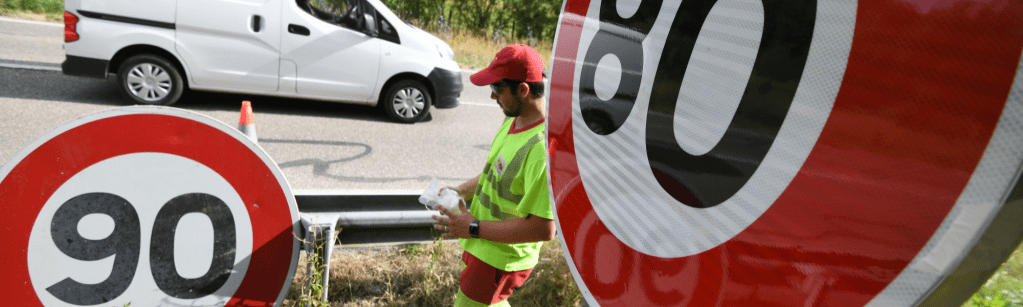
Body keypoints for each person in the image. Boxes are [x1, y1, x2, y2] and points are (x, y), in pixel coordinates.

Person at [432, 44, 555, 307]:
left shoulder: (541, 149)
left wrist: (472, 227)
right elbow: (494, 173)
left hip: (501, 256)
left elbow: (544, 228)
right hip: (483, 242)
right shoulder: (514, 120)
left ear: (523, 90)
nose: (492, 96)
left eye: (497, 88)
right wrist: (459, 191)